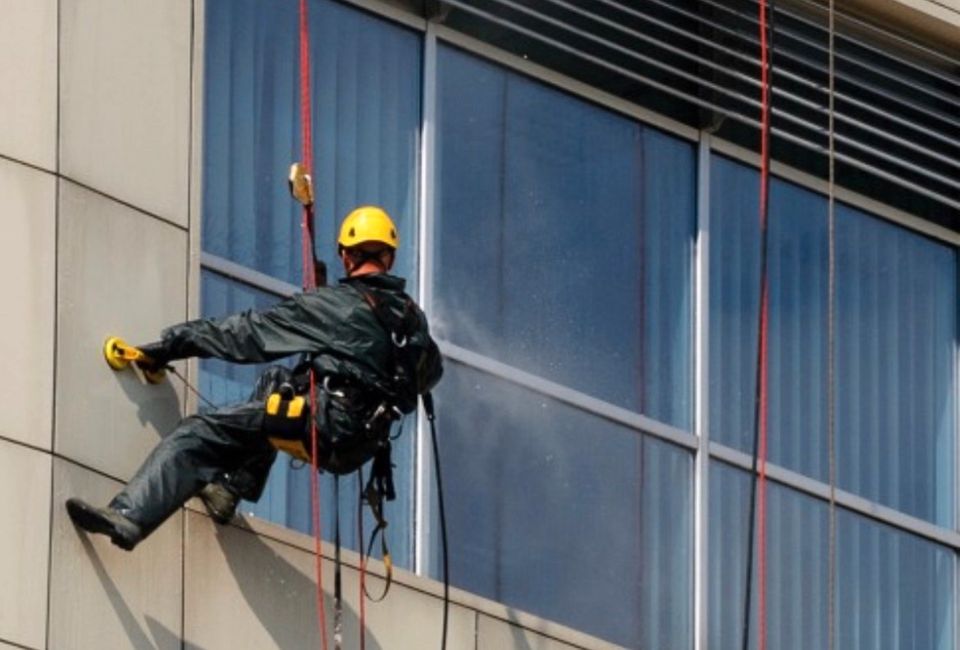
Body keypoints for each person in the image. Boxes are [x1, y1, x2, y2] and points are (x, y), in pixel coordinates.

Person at [66, 206, 443, 550]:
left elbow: (246, 334)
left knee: (196, 434)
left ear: (346, 255)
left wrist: (169, 346)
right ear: (389, 257)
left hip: (327, 422)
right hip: (361, 443)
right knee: (276, 382)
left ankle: (128, 518)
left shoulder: (337, 307)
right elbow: (427, 374)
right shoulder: (413, 322)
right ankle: (231, 489)